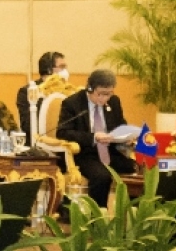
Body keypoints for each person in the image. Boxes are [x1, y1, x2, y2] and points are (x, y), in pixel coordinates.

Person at [57, 68, 136, 206]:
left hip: (110, 151)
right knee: (101, 176)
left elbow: (121, 125)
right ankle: (98, 216)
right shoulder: (72, 103)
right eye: (101, 94)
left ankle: (133, 214)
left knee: (136, 170)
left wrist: (126, 136)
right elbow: (63, 132)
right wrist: (93, 137)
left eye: (109, 93)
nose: (105, 98)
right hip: (86, 154)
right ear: (90, 88)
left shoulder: (114, 101)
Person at [17, 51, 68, 138]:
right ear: (49, 69)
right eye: (62, 67)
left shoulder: (66, 90)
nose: (65, 71)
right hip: (37, 140)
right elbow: (27, 125)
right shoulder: (27, 91)